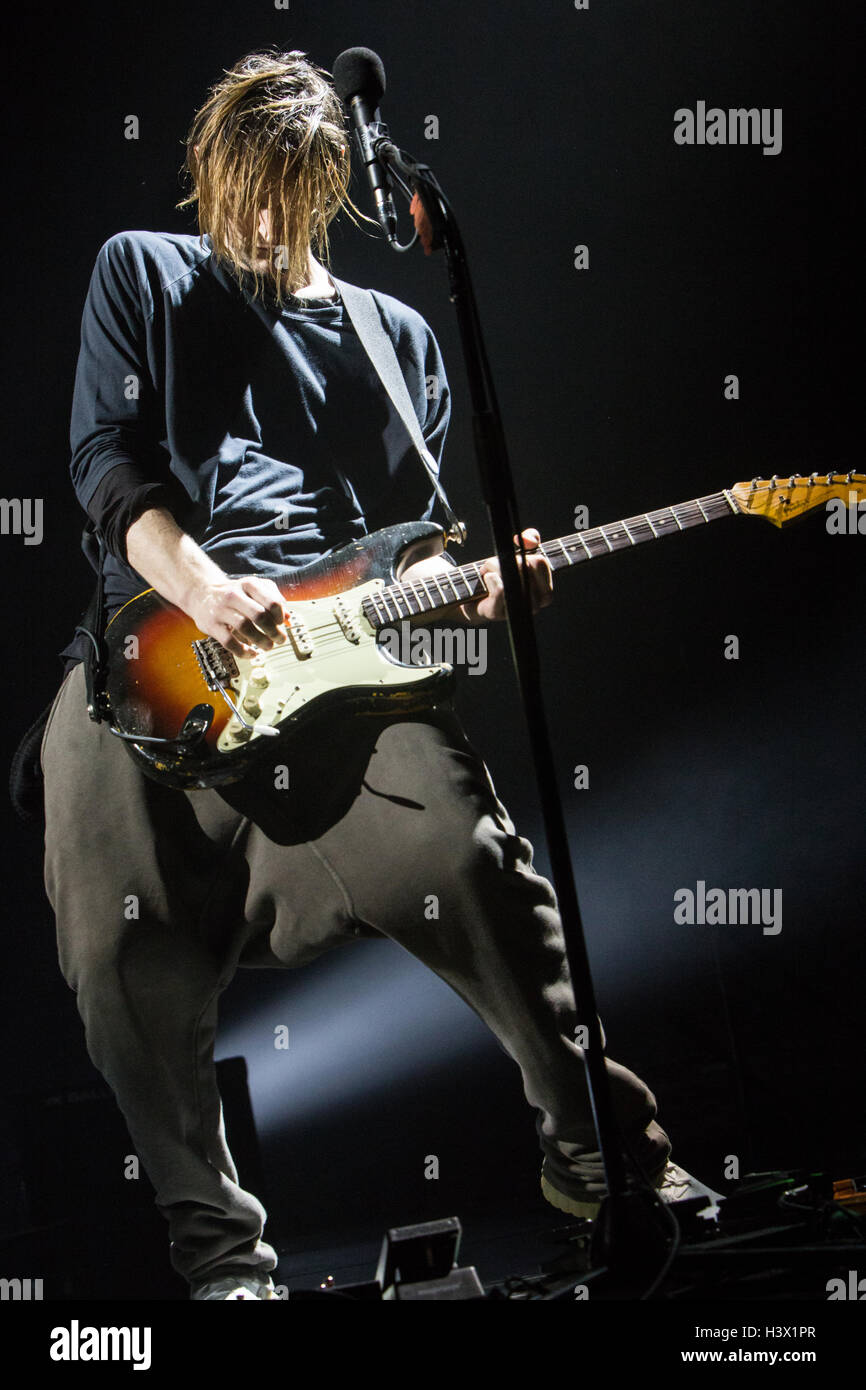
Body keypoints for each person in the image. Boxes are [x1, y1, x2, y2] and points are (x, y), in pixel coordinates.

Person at [41, 49, 682, 1301]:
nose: (264, 220)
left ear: (334, 182)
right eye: (242, 188)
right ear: (209, 173)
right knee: (121, 963)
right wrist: (204, 586)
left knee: (470, 865)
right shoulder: (144, 270)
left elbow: (414, 558)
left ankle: (593, 1163)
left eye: (289, 190)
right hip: (150, 654)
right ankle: (224, 1262)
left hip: (329, 678)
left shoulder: (397, 343)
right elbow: (107, 465)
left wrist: (486, 584)